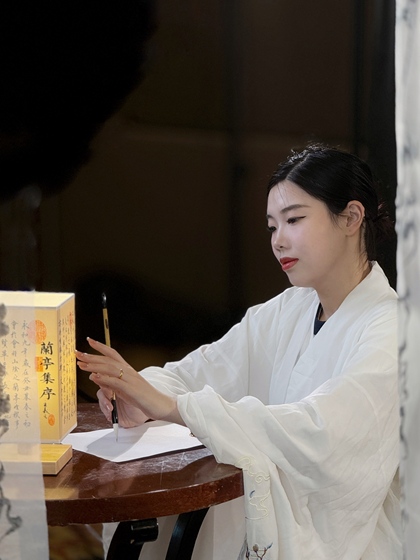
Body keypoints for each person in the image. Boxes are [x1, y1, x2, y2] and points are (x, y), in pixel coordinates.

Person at [76, 144, 402, 559]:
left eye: (294, 220)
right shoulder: (288, 309)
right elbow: (202, 369)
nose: (278, 241)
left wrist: (173, 407)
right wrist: (139, 395)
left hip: (351, 540)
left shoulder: (393, 327)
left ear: (351, 218)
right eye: (271, 227)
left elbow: (323, 432)